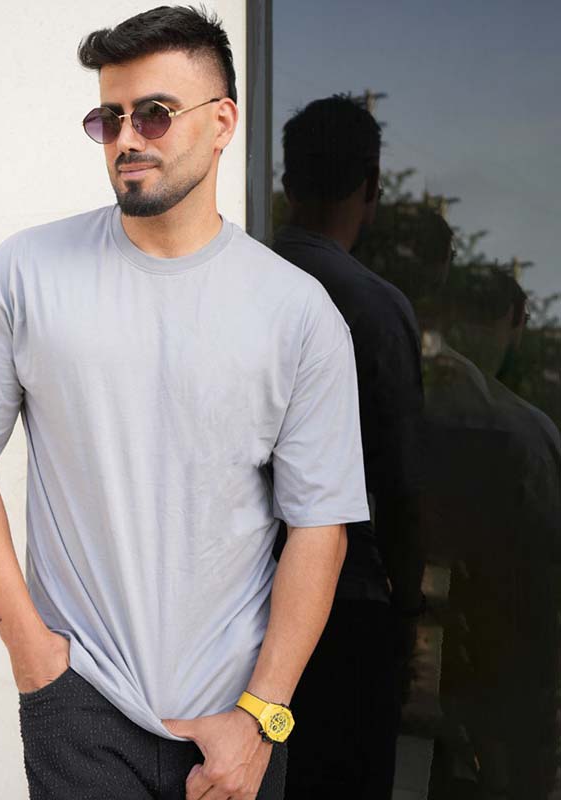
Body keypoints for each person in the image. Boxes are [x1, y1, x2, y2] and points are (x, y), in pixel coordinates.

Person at [0, 8, 369, 799]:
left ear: (222, 122)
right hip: (80, 704)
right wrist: (33, 655)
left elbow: (319, 526)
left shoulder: (296, 313)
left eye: (155, 114)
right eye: (110, 118)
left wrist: (263, 715)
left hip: (237, 715)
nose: (128, 138)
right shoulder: (24, 274)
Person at [272, 95, 426, 798]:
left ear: (286, 182)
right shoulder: (372, 305)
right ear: (372, 185)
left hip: (235, 604)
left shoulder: (234, 284)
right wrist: (408, 610)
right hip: (344, 608)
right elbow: (400, 482)